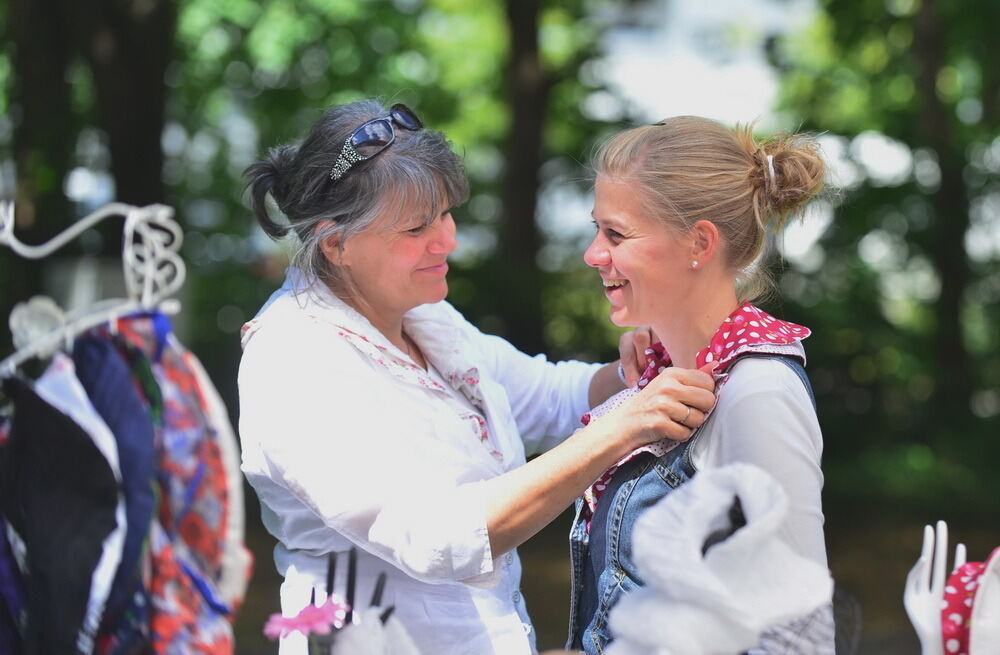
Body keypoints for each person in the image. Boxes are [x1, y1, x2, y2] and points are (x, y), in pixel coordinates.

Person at [236, 99, 717, 655]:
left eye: (445, 213)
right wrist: (623, 426)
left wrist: (634, 369)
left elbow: (547, 397)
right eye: (416, 227)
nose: (448, 240)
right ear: (335, 243)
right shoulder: (293, 361)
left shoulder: (421, 315)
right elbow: (436, 538)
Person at [567, 116, 833, 654]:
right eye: (597, 230)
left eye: (615, 234)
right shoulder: (661, 376)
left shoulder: (758, 392)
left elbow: (796, 637)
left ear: (700, 242)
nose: (593, 254)